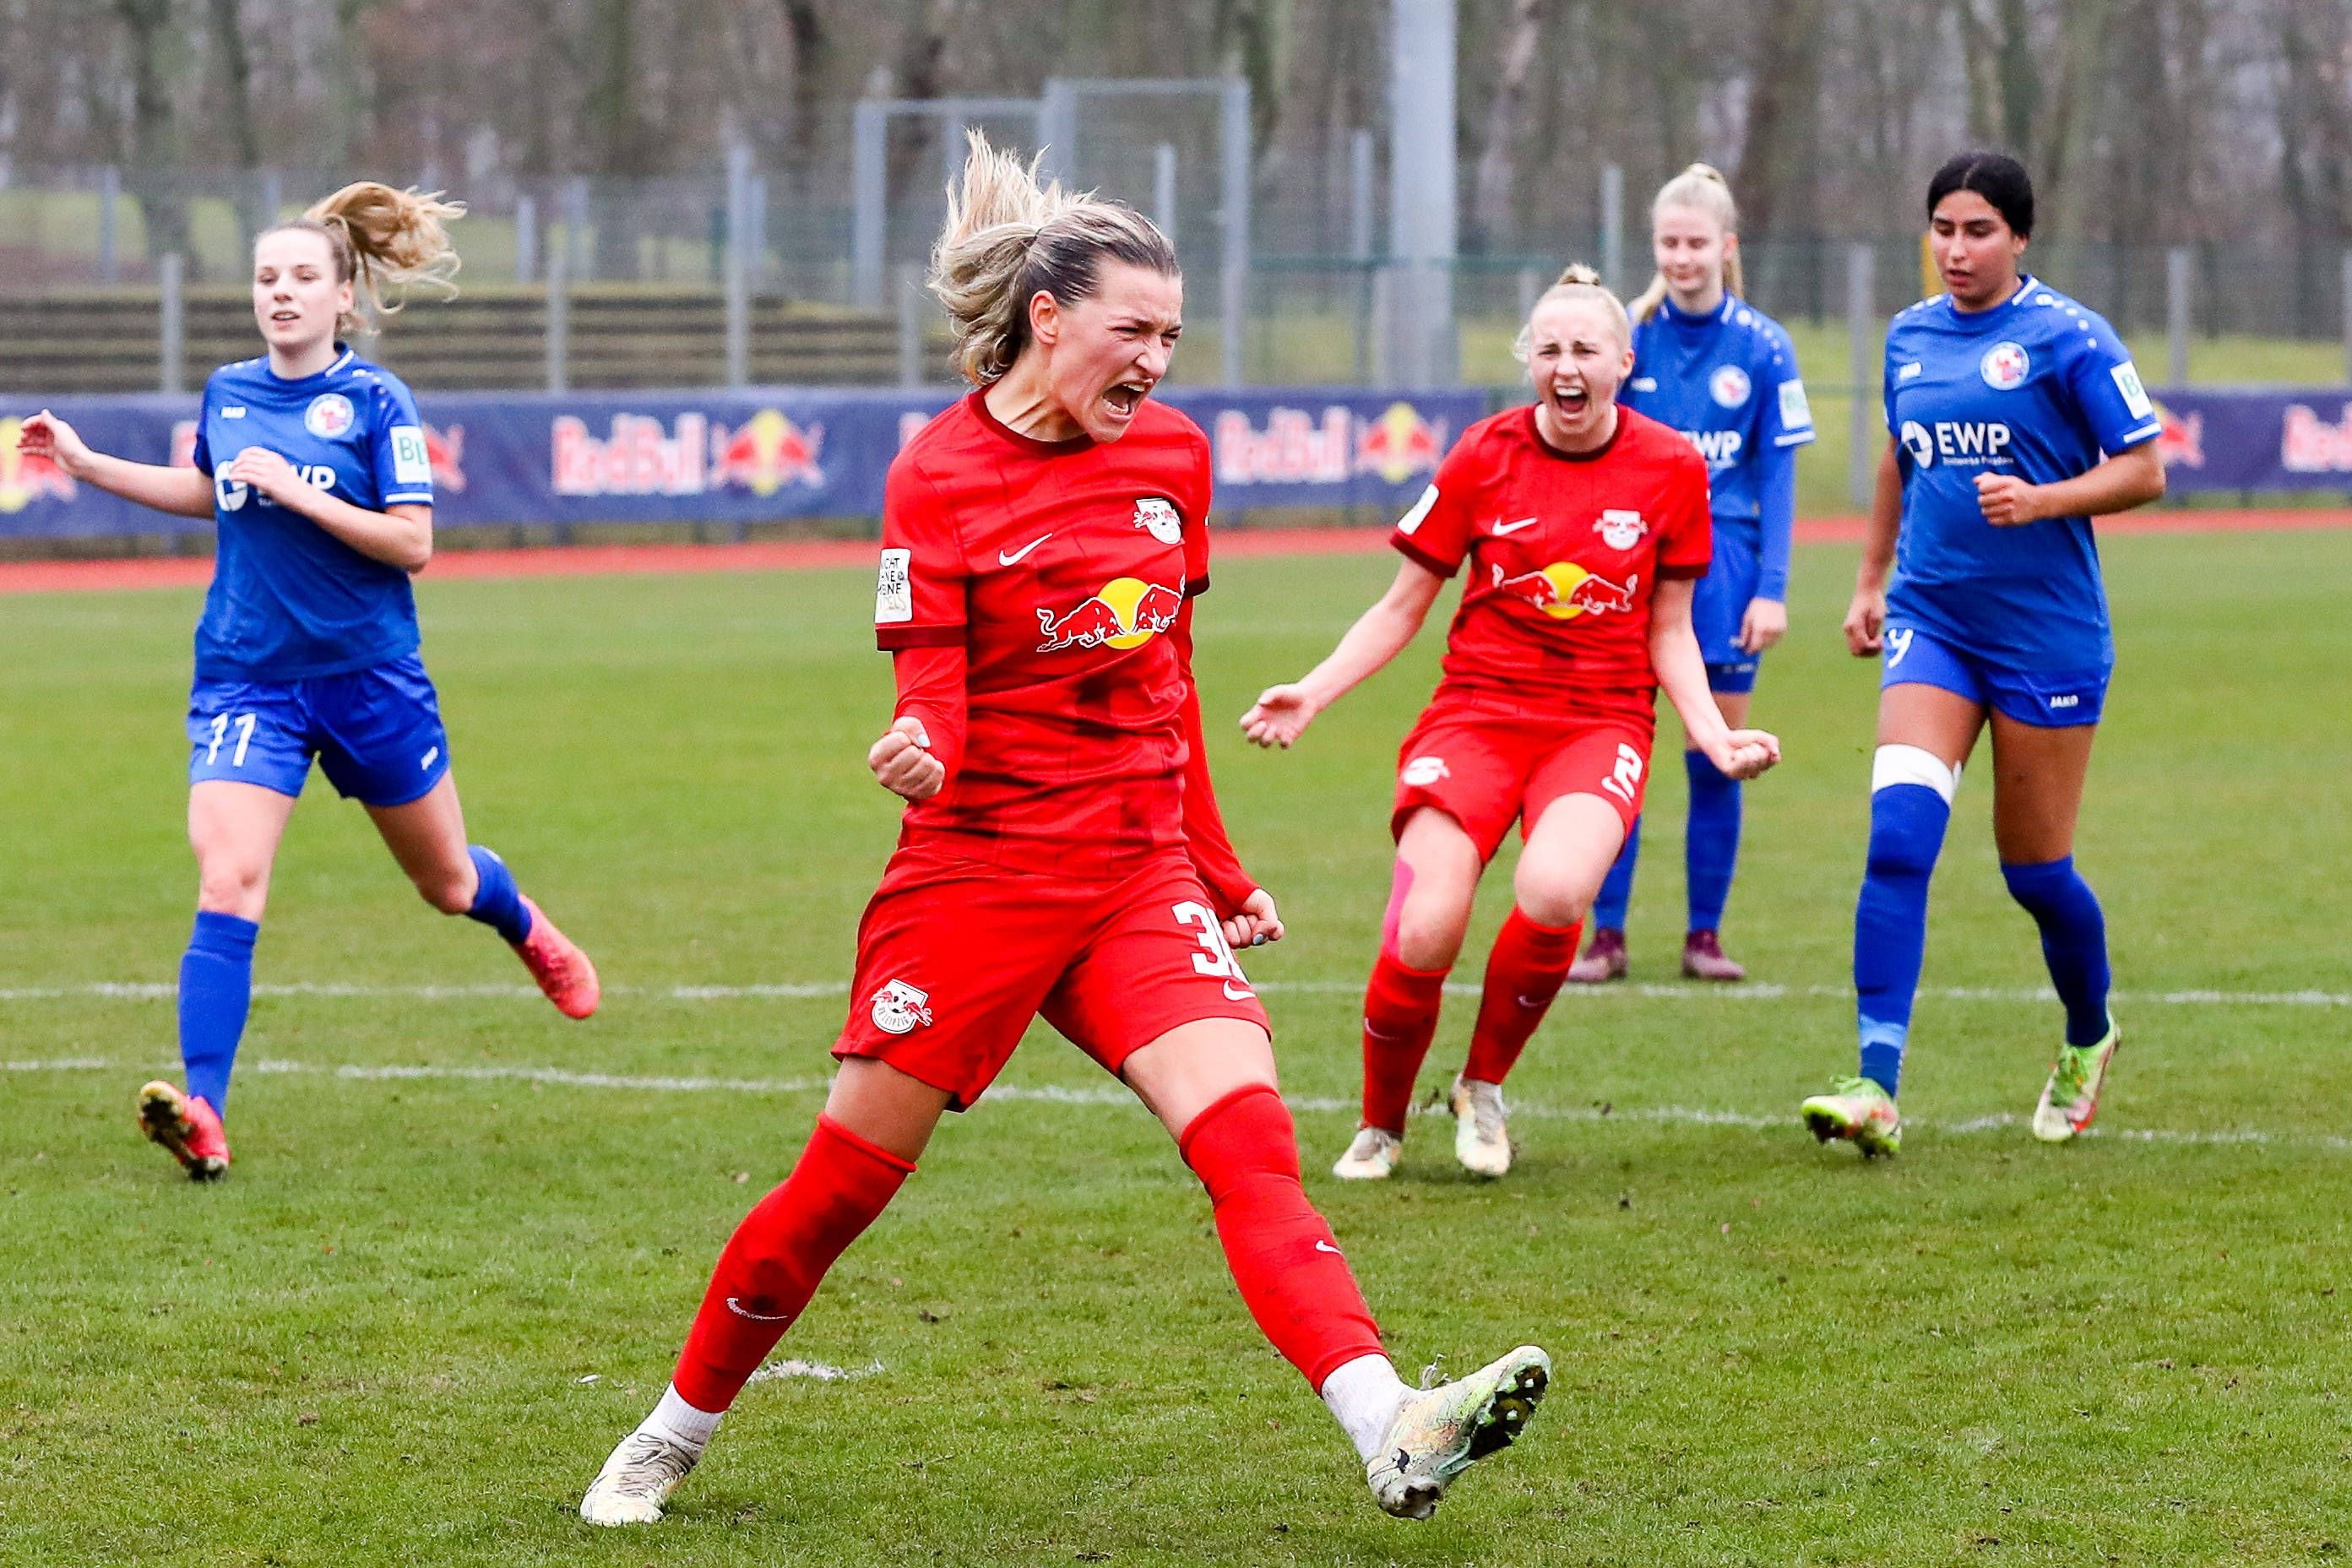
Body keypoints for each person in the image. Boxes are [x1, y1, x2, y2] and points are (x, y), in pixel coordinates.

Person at [578, 133, 1549, 1529]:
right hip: (974, 875)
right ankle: (671, 1430)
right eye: (1131, 330)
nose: (1156, 359)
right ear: (1050, 321)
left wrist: (1214, 865)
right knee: (839, 1188)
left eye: (1172, 333)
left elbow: (1170, 673)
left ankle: (1390, 1419)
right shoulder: (940, 476)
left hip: (1133, 872)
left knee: (1250, 1145)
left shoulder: (1174, 456)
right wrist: (923, 750)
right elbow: (933, 689)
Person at [17, 184, 600, 1182]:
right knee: (227, 879)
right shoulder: (228, 390)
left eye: (300, 278)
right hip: (249, 681)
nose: (279, 293)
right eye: (265, 278)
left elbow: (413, 542)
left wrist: (302, 493)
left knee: (446, 882)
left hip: (370, 677)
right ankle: (202, 1111)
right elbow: (210, 494)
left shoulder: (377, 402)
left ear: (343, 298)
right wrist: (85, 463)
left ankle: (525, 924)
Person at [1241, 265, 1780, 1182]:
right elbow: (1402, 606)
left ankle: (1481, 1084)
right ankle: (1379, 1123)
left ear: (1623, 361)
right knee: (1425, 929)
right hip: (1476, 718)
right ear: (1528, 359)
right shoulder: (1481, 455)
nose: (1565, 367)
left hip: (1599, 723)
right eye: (1549, 350)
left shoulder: (1670, 467)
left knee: (1556, 890)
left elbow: (1670, 627)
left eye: (1584, 350)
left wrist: (1713, 732)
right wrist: (1314, 689)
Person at [1799, 152, 2164, 1158]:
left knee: (2036, 873)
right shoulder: (1909, 338)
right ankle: (1875, 1082)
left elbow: (2144, 470)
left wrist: (2042, 500)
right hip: (1933, 625)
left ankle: (2088, 1034)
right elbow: (1895, 456)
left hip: (2046, 636)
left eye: (1978, 232)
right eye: (1943, 230)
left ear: (2019, 238)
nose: (1956, 251)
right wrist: (1870, 580)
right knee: (1899, 839)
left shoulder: (2069, 336)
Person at [1571, 164, 1814, 985]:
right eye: (1668, 242)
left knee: (1718, 758)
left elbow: (1777, 479)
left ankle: (1702, 936)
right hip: (1631, 574)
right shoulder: (1630, 338)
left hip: (1727, 572)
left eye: (1695, 243)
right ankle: (1605, 937)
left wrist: (1772, 589)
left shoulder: (1764, 346)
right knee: (1618, 758)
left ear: (1725, 247)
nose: (1681, 257)